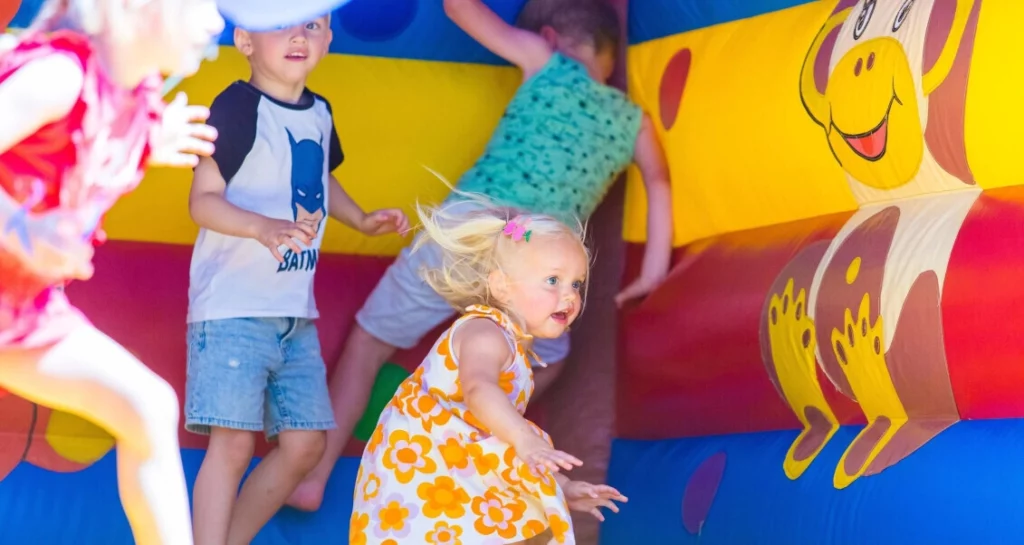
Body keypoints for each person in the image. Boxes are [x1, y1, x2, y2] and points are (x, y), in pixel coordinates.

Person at [288, 0, 672, 512]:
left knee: (369, 342)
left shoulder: (543, 59)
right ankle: (469, 434)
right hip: (539, 261)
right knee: (547, 360)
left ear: (555, 38)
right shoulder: (634, 122)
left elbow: (458, 9)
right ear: (608, 55)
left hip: (472, 226)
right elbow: (660, 183)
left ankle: (313, 478)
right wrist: (652, 272)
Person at [0, 0, 224, 544]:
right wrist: (24, 233)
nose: (217, 22)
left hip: (19, 311)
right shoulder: (59, 76)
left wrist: (150, 141)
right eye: (202, 6)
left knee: (147, 407)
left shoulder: (134, 97)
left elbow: (81, 151)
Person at [183, 12, 409, 545]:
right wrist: (260, 227)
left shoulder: (319, 113)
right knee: (233, 446)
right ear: (244, 40)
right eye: (281, 23)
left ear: (329, 39)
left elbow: (318, 176)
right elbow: (203, 201)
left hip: (293, 315)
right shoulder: (238, 107)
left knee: (306, 446)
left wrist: (360, 219)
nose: (298, 36)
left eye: (312, 25)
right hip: (233, 308)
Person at [349, 196, 628, 545]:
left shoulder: (515, 350)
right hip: (423, 478)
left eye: (576, 284)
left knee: (532, 529)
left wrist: (565, 489)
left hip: (457, 473)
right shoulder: (485, 333)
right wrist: (525, 440)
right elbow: (479, 391)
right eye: (552, 280)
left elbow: (494, 444)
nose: (570, 296)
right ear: (501, 287)